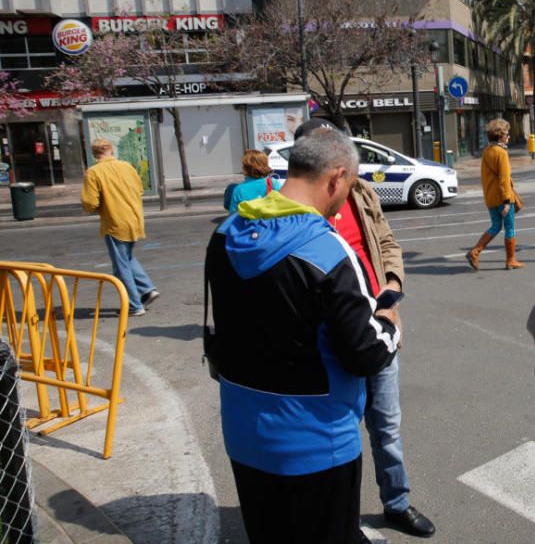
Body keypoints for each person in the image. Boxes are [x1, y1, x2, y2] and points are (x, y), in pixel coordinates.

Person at [205, 129, 401, 543]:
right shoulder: (327, 250)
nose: (346, 197)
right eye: (348, 187)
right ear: (336, 177)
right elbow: (364, 354)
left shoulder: (225, 234)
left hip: (244, 433)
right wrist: (389, 321)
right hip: (317, 443)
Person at [294, 118, 436, 538]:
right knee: (334, 436)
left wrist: (391, 289)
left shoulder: (361, 193)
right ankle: (340, 517)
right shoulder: (289, 206)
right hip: (326, 341)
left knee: (386, 426)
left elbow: (387, 244)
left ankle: (396, 503)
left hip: (377, 328)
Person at [81, 138, 159, 317]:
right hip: (134, 218)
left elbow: (90, 203)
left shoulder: (93, 172)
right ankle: (147, 288)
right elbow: (139, 189)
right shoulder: (127, 166)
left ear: (94, 153)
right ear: (111, 150)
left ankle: (134, 305)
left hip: (115, 222)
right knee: (127, 258)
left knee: (121, 265)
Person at [466, 118, 523, 270]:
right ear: (500, 136)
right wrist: (506, 201)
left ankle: (475, 251)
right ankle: (510, 260)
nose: (508, 136)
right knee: (509, 229)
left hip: (490, 197)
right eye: (507, 134)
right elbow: (504, 179)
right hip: (503, 198)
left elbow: (486, 177)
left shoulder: (486, 151)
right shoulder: (501, 153)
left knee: (496, 226)